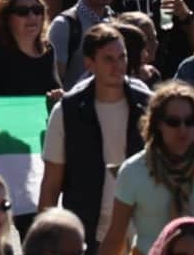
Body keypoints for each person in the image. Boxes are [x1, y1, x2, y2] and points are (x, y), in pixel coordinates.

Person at [39, 26, 150, 250]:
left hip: (142, 231)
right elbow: (51, 185)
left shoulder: (149, 106)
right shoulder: (67, 112)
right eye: (108, 59)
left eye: (122, 57)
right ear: (89, 63)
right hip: (88, 231)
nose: (118, 66)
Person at [102, 81, 194, 255]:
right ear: (158, 124)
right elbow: (116, 237)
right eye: (173, 122)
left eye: (190, 121)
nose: (182, 129)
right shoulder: (133, 170)